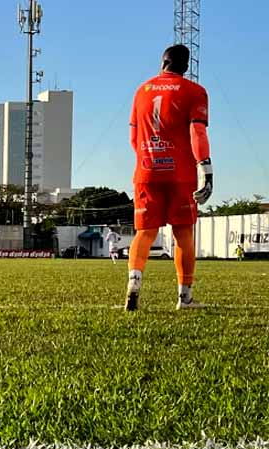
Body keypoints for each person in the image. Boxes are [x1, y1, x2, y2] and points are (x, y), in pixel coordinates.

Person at [125, 44, 212, 311]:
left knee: (145, 233)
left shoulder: (142, 91)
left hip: (147, 171)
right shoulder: (195, 91)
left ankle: (133, 286)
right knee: (183, 234)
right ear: (186, 66)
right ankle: (184, 297)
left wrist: (151, 158)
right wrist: (205, 169)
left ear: (162, 62)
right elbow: (197, 133)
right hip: (180, 174)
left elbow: (133, 138)